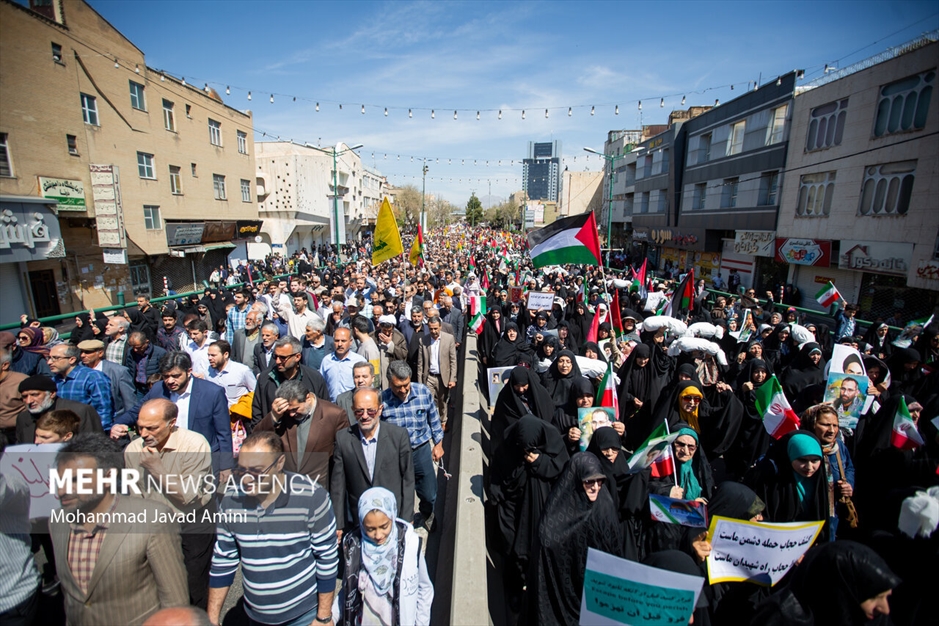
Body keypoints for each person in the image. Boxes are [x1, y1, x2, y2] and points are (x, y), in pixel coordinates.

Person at [50, 434, 189, 625]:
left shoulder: (152, 519)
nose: (61, 491)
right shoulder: (57, 521)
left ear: (108, 477)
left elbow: (175, 603)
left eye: (75, 480)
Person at [207, 431, 339, 626]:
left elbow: (326, 558)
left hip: (303, 616)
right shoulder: (231, 501)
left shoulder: (312, 497)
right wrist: (211, 618)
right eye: (241, 469)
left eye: (257, 470)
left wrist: (324, 616)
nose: (246, 479)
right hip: (256, 618)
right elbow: (223, 560)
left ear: (279, 463)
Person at [124, 399, 216, 608]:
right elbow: (136, 493)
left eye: (152, 428)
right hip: (157, 522)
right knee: (160, 581)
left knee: (194, 582)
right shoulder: (132, 450)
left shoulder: (195, 444)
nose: (144, 434)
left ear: (171, 423)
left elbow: (188, 495)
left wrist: (156, 468)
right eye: (140, 427)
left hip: (193, 519)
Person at [524, 453, 624, 625]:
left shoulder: (604, 506)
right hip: (561, 598)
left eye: (600, 481)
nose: (595, 487)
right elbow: (546, 546)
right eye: (589, 482)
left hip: (593, 594)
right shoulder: (554, 518)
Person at [490, 414, 569, 608]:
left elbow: (561, 472)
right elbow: (498, 477)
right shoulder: (507, 447)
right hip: (513, 508)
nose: (526, 451)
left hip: (541, 510)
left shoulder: (552, 443)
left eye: (531, 447)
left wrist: (539, 462)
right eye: (522, 447)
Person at [112, 352, 234, 475]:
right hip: (165, 458)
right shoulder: (158, 389)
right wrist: (118, 424)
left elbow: (223, 432)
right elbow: (136, 411)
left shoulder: (212, 393)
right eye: (166, 376)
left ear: (189, 371)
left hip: (200, 459)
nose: (170, 381)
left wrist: (225, 465)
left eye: (175, 376)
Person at [339, 487, 433, 626]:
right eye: (370, 529)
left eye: (384, 526)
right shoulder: (354, 548)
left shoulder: (409, 545)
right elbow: (347, 591)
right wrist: (330, 617)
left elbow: (424, 588)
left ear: (393, 517)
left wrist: (421, 623)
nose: (378, 535)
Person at [751, 541, 900, 626]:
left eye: (886, 596)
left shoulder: (871, 618)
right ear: (838, 590)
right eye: (873, 597)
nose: (885, 609)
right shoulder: (780, 618)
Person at [331, 387, 414, 535]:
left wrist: (406, 518)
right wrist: (338, 523)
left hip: (391, 518)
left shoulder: (398, 436)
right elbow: (338, 484)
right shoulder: (343, 439)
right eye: (359, 411)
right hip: (359, 521)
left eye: (370, 411)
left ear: (380, 409)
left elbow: (408, 478)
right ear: (352, 410)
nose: (364, 416)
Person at [381, 361, 444, 530]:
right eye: (397, 386)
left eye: (406, 385)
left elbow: (434, 419)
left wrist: (438, 444)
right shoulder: (383, 401)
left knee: (429, 492)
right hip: (396, 455)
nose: (402, 390)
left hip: (420, 450)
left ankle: (427, 513)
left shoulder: (422, 392)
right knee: (398, 493)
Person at [254, 379, 349, 489]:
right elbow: (256, 439)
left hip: (319, 487)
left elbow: (343, 455)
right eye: (288, 410)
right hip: (286, 486)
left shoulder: (334, 414)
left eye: (295, 409)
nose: (291, 414)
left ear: (308, 398)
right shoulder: (282, 414)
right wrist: (274, 417)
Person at [744, 431, 829, 538]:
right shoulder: (765, 477)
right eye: (802, 460)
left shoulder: (819, 480)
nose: (809, 467)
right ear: (789, 455)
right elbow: (752, 508)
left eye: (815, 460)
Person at [800, 403, 855, 540]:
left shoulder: (839, 447)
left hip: (832, 515)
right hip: (806, 514)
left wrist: (848, 484)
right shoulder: (800, 446)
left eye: (835, 425)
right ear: (812, 424)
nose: (831, 430)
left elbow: (849, 467)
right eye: (825, 425)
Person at [252, 336, 329, 430]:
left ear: (297, 357)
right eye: (275, 356)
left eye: (283, 358)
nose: (277, 361)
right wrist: (273, 417)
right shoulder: (265, 379)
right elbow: (257, 415)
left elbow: (324, 412)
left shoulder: (314, 378)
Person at [16, 375, 103, 443]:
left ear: (52, 394)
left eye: (35, 395)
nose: (29, 401)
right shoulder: (24, 418)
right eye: (24, 397)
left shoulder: (80, 411)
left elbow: (95, 445)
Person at [77, 339, 136, 416]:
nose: (82, 355)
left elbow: (129, 401)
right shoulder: (77, 370)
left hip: (112, 419)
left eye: (87, 352)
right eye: (81, 352)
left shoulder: (119, 371)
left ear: (100, 353)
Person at [417, 316, 458, 424]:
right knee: (428, 401)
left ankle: (443, 421)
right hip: (429, 377)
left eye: (436, 328)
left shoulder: (448, 339)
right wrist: (420, 382)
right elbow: (420, 364)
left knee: (442, 402)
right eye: (431, 329)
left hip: (443, 377)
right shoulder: (423, 340)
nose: (433, 331)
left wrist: (452, 378)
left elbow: (453, 360)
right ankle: (430, 423)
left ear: (440, 327)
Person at [320, 328, 368, 402]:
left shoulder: (359, 361)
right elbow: (322, 385)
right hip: (332, 405)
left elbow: (367, 386)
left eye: (343, 341)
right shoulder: (327, 361)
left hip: (352, 405)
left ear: (350, 342)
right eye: (337, 341)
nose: (339, 344)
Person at [205, 340, 256, 409]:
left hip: (237, 415)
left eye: (213, 355)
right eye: (208, 355)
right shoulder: (208, 372)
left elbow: (255, 392)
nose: (209, 358)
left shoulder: (242, 370)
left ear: (226, 354)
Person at [231, 310, 263, 374]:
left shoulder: (263, 336)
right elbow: (233, 354)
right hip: (240, 372)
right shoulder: (238, 334)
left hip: (256, 373)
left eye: (250, 319)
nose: (247, 321)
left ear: (259, 322)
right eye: (247, 319)